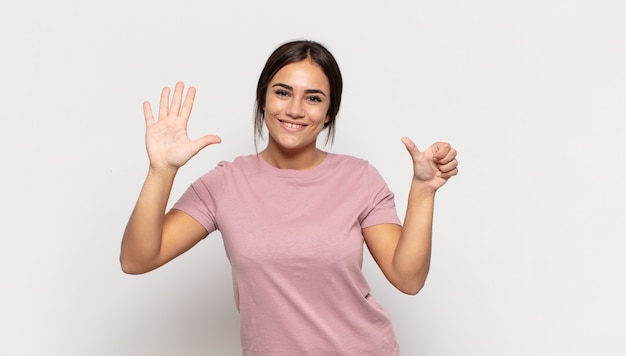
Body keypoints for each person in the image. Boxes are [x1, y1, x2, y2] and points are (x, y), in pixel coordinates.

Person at [121, 39, 458, 355]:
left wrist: (423, 191)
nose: (295, 109)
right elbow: (137, 260)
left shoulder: (360, 178)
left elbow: (408, 278)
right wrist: (161, 171)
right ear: (263, 99)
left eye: (313, 98)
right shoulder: (225, 184)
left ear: (329, 114)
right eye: (283, 93)